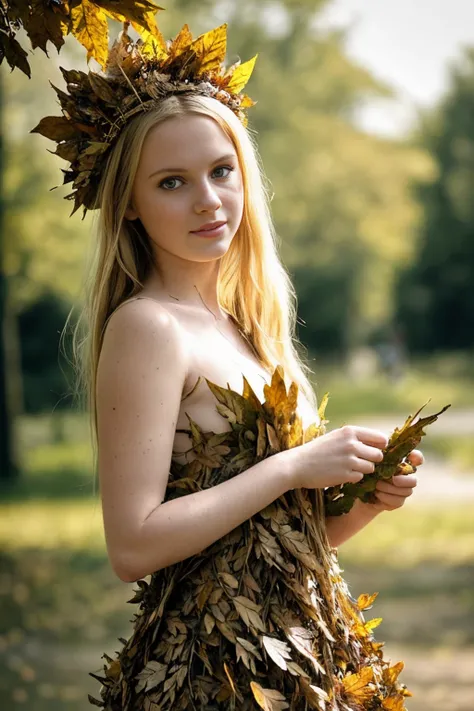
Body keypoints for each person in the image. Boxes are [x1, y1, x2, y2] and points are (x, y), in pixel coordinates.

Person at [34, 20, 423, 711]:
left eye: (221, 171)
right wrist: (293, 465)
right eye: (172, 182)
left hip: (302, 657)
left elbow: (277, 539)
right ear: (128, 202)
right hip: (211, 678)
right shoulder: (146, 327)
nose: (209, 200)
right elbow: (133, 540)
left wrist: (364, 500)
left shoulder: (245, 328)